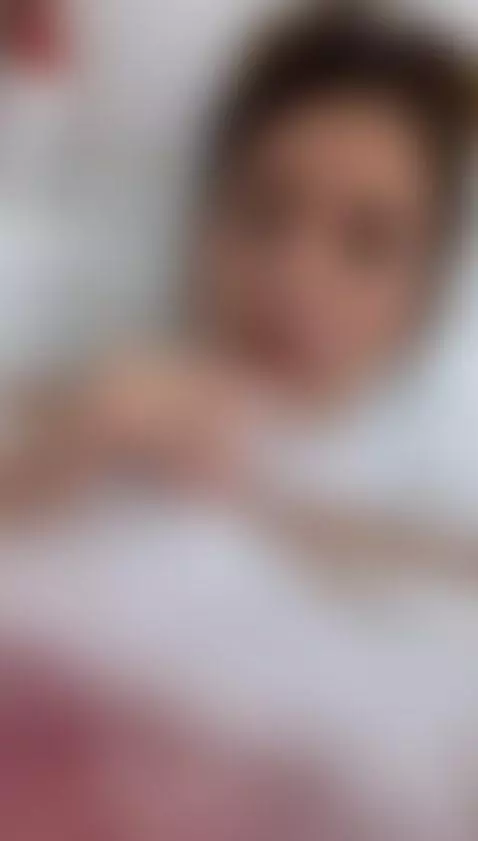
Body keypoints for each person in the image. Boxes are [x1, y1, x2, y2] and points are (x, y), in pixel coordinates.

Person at [1, 7, 476, 566]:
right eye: (263, 211)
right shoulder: (78, 399)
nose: (296, 277)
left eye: (365, 242)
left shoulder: (437, 506)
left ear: (427, 286)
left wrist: (271, 507)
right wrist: (63, 453)